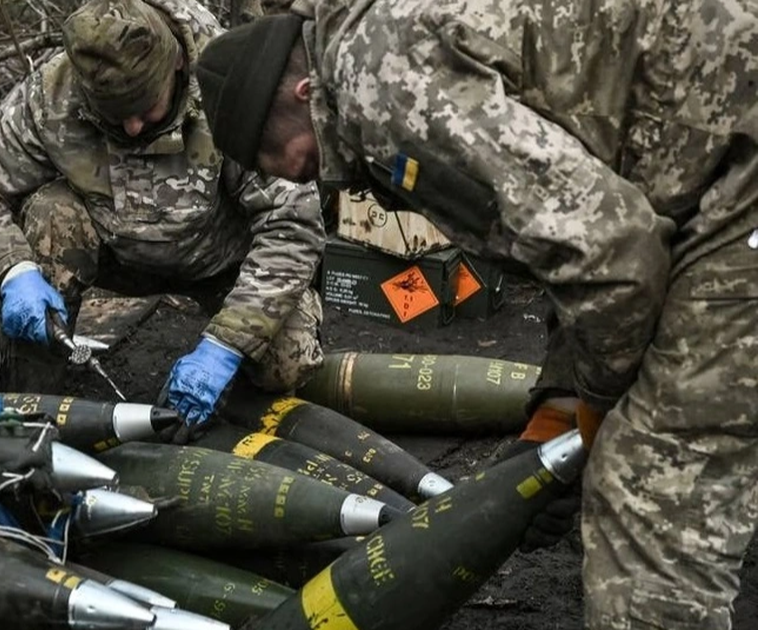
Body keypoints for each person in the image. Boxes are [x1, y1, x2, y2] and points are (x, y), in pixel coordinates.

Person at [191, 1, 758, 628]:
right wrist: (559, 407)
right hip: (712, 153)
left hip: (736, 179)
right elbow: (563, 239)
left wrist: (597, 409)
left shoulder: (376, 85)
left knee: (647, 506)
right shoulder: (373, 43)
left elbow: (610, 255)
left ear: (304, 93)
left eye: (300, 162)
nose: (317, 183)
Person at [0, 0, 326, 426]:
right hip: (114, 254)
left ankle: (230, 405)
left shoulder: (230, 86)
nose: (131, 128)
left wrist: (227, 345)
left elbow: (293, 224)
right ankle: (31, 407)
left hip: (222, 261)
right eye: (114, 115)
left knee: (286, 362)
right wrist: (13, 270)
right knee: (51, 213)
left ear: (178, 66)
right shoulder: (52, 94)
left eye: (146, 109)